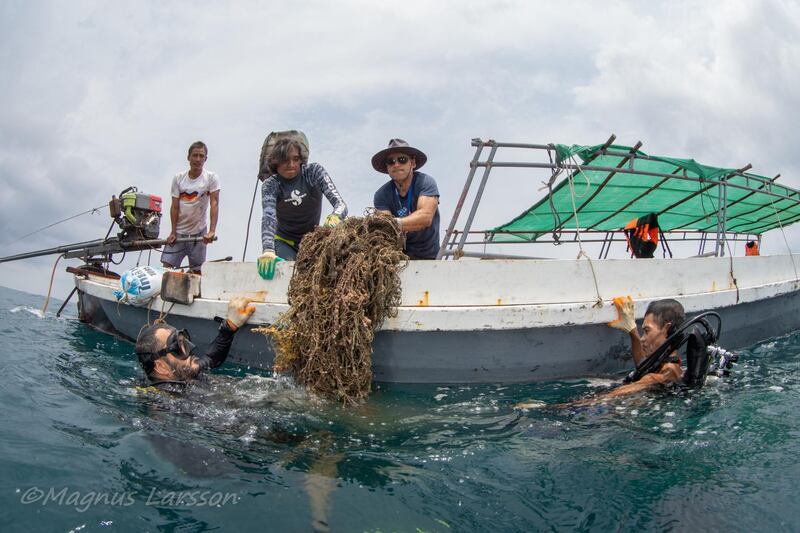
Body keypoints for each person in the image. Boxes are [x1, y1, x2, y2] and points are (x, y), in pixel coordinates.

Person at [257, 137, 348, 280]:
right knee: (287, 277)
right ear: (276, 162)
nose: (291, 164)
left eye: (295, 159)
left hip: (313, 241)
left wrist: (336, 216)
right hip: (285, 241)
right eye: (285, 160)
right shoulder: (271, 185)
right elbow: (269, 217)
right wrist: (268, 249)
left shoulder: (313, 172)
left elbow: (340, 204)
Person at [135, 297, 255, 390]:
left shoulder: (182, 371)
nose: (189, 349)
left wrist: (229, 326)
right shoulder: (169, 403)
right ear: (160, 367)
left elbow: (210, 359)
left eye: (183, 340)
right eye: (177, 346)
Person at [372, 139, 441, 259]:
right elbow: (384, 230)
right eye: (391, 161)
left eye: (402, 160)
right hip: (399, 260)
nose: (396, 164)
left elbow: (425, 218)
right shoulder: (381, 194)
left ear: (413, 163)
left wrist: (394, 223)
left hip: (430, 258)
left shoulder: (425, 182)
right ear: (387, 167)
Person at [161, 141, 220, 274]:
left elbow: (214, 204)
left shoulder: (211, 178)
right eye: (195, 156)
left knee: (197, 272)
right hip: (180, 231)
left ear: (205, 159)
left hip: (199, 232)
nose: (198, 159)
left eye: (201, 156)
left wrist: (211, 231)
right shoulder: (179, 178)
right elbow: (175, 206)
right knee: (166, 269)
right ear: (188, 157)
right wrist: (173, 232)